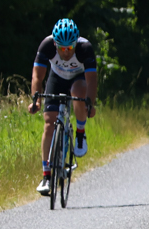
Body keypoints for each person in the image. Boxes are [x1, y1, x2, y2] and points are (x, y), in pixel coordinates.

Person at [28, 19, 98, 196]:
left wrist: (90, 103)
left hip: (78, 79)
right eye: (62, 48)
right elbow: (37, 77)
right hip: (57, 78)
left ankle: (80, 133)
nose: (66, 53)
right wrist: (36, 100)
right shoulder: (47, 46)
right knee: (49, 123)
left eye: (70, 48)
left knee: (79, 94)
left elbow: (91, 81)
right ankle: (46, 176)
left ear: (75, 44)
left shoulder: (85, 49)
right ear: (55, 44)